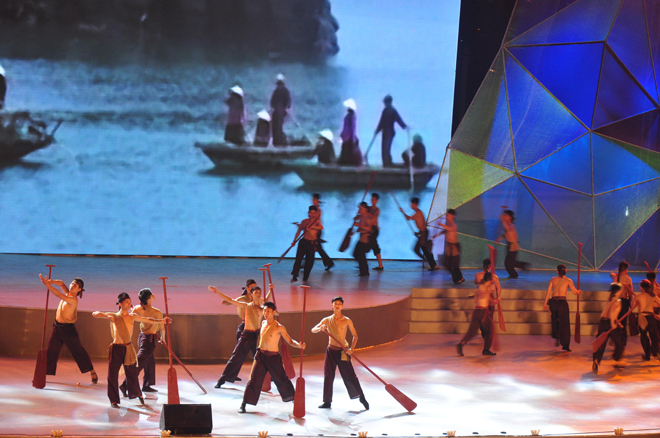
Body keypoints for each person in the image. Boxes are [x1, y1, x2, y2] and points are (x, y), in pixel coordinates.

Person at [92, 293, 171, 407]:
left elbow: (147, 319)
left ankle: (136, 393)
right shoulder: (114, 316)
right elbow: (94, 314)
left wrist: (161, 321)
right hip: (116, 348)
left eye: (130, 302)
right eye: (126, 302)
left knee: (132, 373)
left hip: (128, 348)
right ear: (120, 304)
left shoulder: (132, 316)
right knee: (112, 375)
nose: (129, 304)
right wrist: (106, 315)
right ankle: (114, 400)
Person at [239, 302, 305, 413]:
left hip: (273, 358)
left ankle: (294, 400)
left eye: (268, 311)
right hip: (261, 356)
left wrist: (299, 345)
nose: (265, 313)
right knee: (254, 379)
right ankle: (244, 403)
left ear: (274, 312)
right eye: (264, 311)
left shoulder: (279, 327)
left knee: (282, 379)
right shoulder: (263, 323)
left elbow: (290, 341)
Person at [39, 275, 98, 385]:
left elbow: (58, 294)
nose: (72, 285)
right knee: (51, 350)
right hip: (57, 327)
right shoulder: (68, 293)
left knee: (78, 351)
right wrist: (51, 281)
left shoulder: (73, 300)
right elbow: (61, 283)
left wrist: (48, 286)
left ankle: (92, 371)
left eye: (75, 285)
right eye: (72, 283)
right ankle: (43, 375)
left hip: (68, 330)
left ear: (79, 289)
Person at [209, 284, 272, 388]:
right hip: (247, 335)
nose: (258, 294)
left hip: (256, 336)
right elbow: (230, 300)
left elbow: (266, 301)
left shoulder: (262, 308)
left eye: (259, 292)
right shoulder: (246, 305)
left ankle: (268, 378)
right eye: (256, 292)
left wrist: (270, 290)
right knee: (236, 357)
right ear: (251, 294)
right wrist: (217, 292)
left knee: (261, 358)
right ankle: (222, 379)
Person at [312, 296, 369, 410]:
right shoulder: (327, 320)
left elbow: (355, 336)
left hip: (343, 351)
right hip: (330, 350)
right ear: (332, 305)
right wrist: (320, 328)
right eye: (335, 303)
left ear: (342, 306)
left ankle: (361, 397)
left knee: (350, 375)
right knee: (328, 376)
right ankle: (327, 401)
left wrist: (351, 349)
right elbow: (313, 330)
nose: (337, 305)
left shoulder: (347, 320)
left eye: (339, 304)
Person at [121, 288, 165, 394]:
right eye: (151, 295)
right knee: (139, 363)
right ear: (148, 299)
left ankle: (146, 385)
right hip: (148, 341)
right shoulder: (156, 312)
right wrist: (163, 337)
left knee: (150, 362)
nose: (154, 295)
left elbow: (132, 314)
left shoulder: (137, 308)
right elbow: (162, 327)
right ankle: (125, 385)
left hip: (142, 338)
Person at [457, 272, 499, 356]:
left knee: (472, 331)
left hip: (477, 311)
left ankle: (461, 343)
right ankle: (486, 349)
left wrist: (496, 300)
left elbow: (489, 302)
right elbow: (483, 293)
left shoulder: (483, 287)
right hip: (482, 312)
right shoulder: (482, 287)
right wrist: (490, 291)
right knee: (490, 330)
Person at [592, 283, 631, 374]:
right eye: (620, 290)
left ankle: (596, 361)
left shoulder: (610, 300)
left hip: (603, 323)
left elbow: (604, 314)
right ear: (618, 291)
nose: (621, 292)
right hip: (610, 323)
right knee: (619, 343)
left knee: (600, 344)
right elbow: (612, 313)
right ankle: (616, 358)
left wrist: (618, 323)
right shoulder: (618, 300)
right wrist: (613, 324)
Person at [543, 265, 581, 352]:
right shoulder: (568, 281)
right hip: (562, 304)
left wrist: (545, 304)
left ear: (557, 271)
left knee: (555, 320)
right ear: (565, 271)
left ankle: (557, 336)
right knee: (565, 324)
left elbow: (548, 292)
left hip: (553, 303)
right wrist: (578, 292)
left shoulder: (553, 279)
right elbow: (574, 292)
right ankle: (565, 345)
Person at [400, 197, 439, 270]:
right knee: (419, 249)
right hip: (423, 233)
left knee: (424, 250)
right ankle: (431, 263)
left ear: (415, 204)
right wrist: (418, 233)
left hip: (424, 233)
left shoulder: (418, 213)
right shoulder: (418, 212)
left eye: (412, 204)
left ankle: (433, 264)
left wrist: (402, 212)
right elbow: (422, 225)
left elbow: (408, 218)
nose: (411, 206)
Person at [290, 205, 323, 283]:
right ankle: (294, 276)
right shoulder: (304, 221)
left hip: (311, 244)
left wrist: (311, 227)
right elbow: (299, 231)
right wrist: (294, 241)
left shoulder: (317, 222)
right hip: (303, 242)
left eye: (314, 213)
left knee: (309, 262)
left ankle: (305, 278)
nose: (312, 215)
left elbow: (321, 227)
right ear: (308, 213)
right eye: (311, 213)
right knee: (298, 260)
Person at [495, 210, 529, 278]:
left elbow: (508, 229)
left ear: (510, 217)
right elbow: (506, 234)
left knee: (510, 263)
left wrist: (503, 220)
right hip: (510, 245)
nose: (504, 216)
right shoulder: (508, 225)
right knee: (508, 263)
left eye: (506, 215)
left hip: (513, 245)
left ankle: (522, 265)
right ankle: (514, 274)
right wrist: (499, 239)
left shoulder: (511, 225)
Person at [375, 94, 407, 167]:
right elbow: (382, 122)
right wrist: (377, 130)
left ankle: (387, 163)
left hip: (389, 133)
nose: (385, 104)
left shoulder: (391, 111)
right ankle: (386, 163)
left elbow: (398, 120)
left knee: (386, 148)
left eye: (385, 102)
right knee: (385, 149)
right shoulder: (387, 111)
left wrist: (404, 126)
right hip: (386, 132)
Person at [435, 209, 465, 284]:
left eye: (448, 215)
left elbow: (451, 229)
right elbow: (445, 230)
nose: (446, 216)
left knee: (454, 265)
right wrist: (437, 235)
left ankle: (458, 279)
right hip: (449, 246)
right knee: (447, 263)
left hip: (454, 247)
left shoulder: (453, 225)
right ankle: (459, 277)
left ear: (453, 216)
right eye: (446, 215)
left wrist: (441, 224)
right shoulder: (448, 224)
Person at [610, 261, 634, 344]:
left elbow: (611, 274)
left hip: (615, 300)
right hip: (622, 301)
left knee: (615, 320)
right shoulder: (627, 278)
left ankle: (615, 339)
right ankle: (621, 341)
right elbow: (630, 293)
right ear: (626, 269)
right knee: (622, 322)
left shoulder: (616, 277)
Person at [636, 280, 660, 361]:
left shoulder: (638, 296)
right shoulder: (652, 296)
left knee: (644, 336)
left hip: (642, 316)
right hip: (650, 316)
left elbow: (633, 308)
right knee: (654, 336)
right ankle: (655, 352)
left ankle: (647, 355)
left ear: (641, 287)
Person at [337, 99, 362, 166]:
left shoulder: (351, 116)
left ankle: (347, 162)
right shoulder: (350, 116)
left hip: (348, 137)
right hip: (347, 136)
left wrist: (353, 138)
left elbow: (352, 127)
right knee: (345, 149)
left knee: (347, 150)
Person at [312, 193, 334, 271]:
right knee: (315, 248)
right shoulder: (316, 209)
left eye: (314, 199)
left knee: (317, 248)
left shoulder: (317, 210)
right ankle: (329, 263)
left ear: (317, 200)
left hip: (317, 231)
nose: (313, 201)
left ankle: (329, 263)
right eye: (313, 199)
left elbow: (317, 222)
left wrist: (315, 231)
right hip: (315, 230)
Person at [270, 74, 291, 146]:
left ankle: (276, 141)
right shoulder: (286, 91)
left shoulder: (276, 91)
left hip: (276, 111)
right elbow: (288, 103)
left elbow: (272, 103)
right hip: (282, 111)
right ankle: (279, 141)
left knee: (275, 126)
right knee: (279, 126)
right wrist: (285, 109)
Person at [353, 202, 373, 277]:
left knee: (361, 255)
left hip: (366, 240)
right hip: (361, 239)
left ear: (365, 209)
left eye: (361, 208)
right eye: (359, 208)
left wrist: (359, 225)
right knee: (356, 254)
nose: (360, 210)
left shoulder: (368, 217)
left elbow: (369, 229)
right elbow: (356, 219)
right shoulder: (361, 216)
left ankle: (364, 271)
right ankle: (364, 269)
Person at [369, 193, 384, 270]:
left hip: (374, 230)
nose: (373, 201)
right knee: (365, 245)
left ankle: (380, 265)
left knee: (374, 247)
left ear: (377, 201)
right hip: (369, 229)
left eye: (374, 200)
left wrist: (365, 211)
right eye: (372, 199)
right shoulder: (369, 208)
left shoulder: (377, 210)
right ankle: (362, 262)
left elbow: (372, 217)